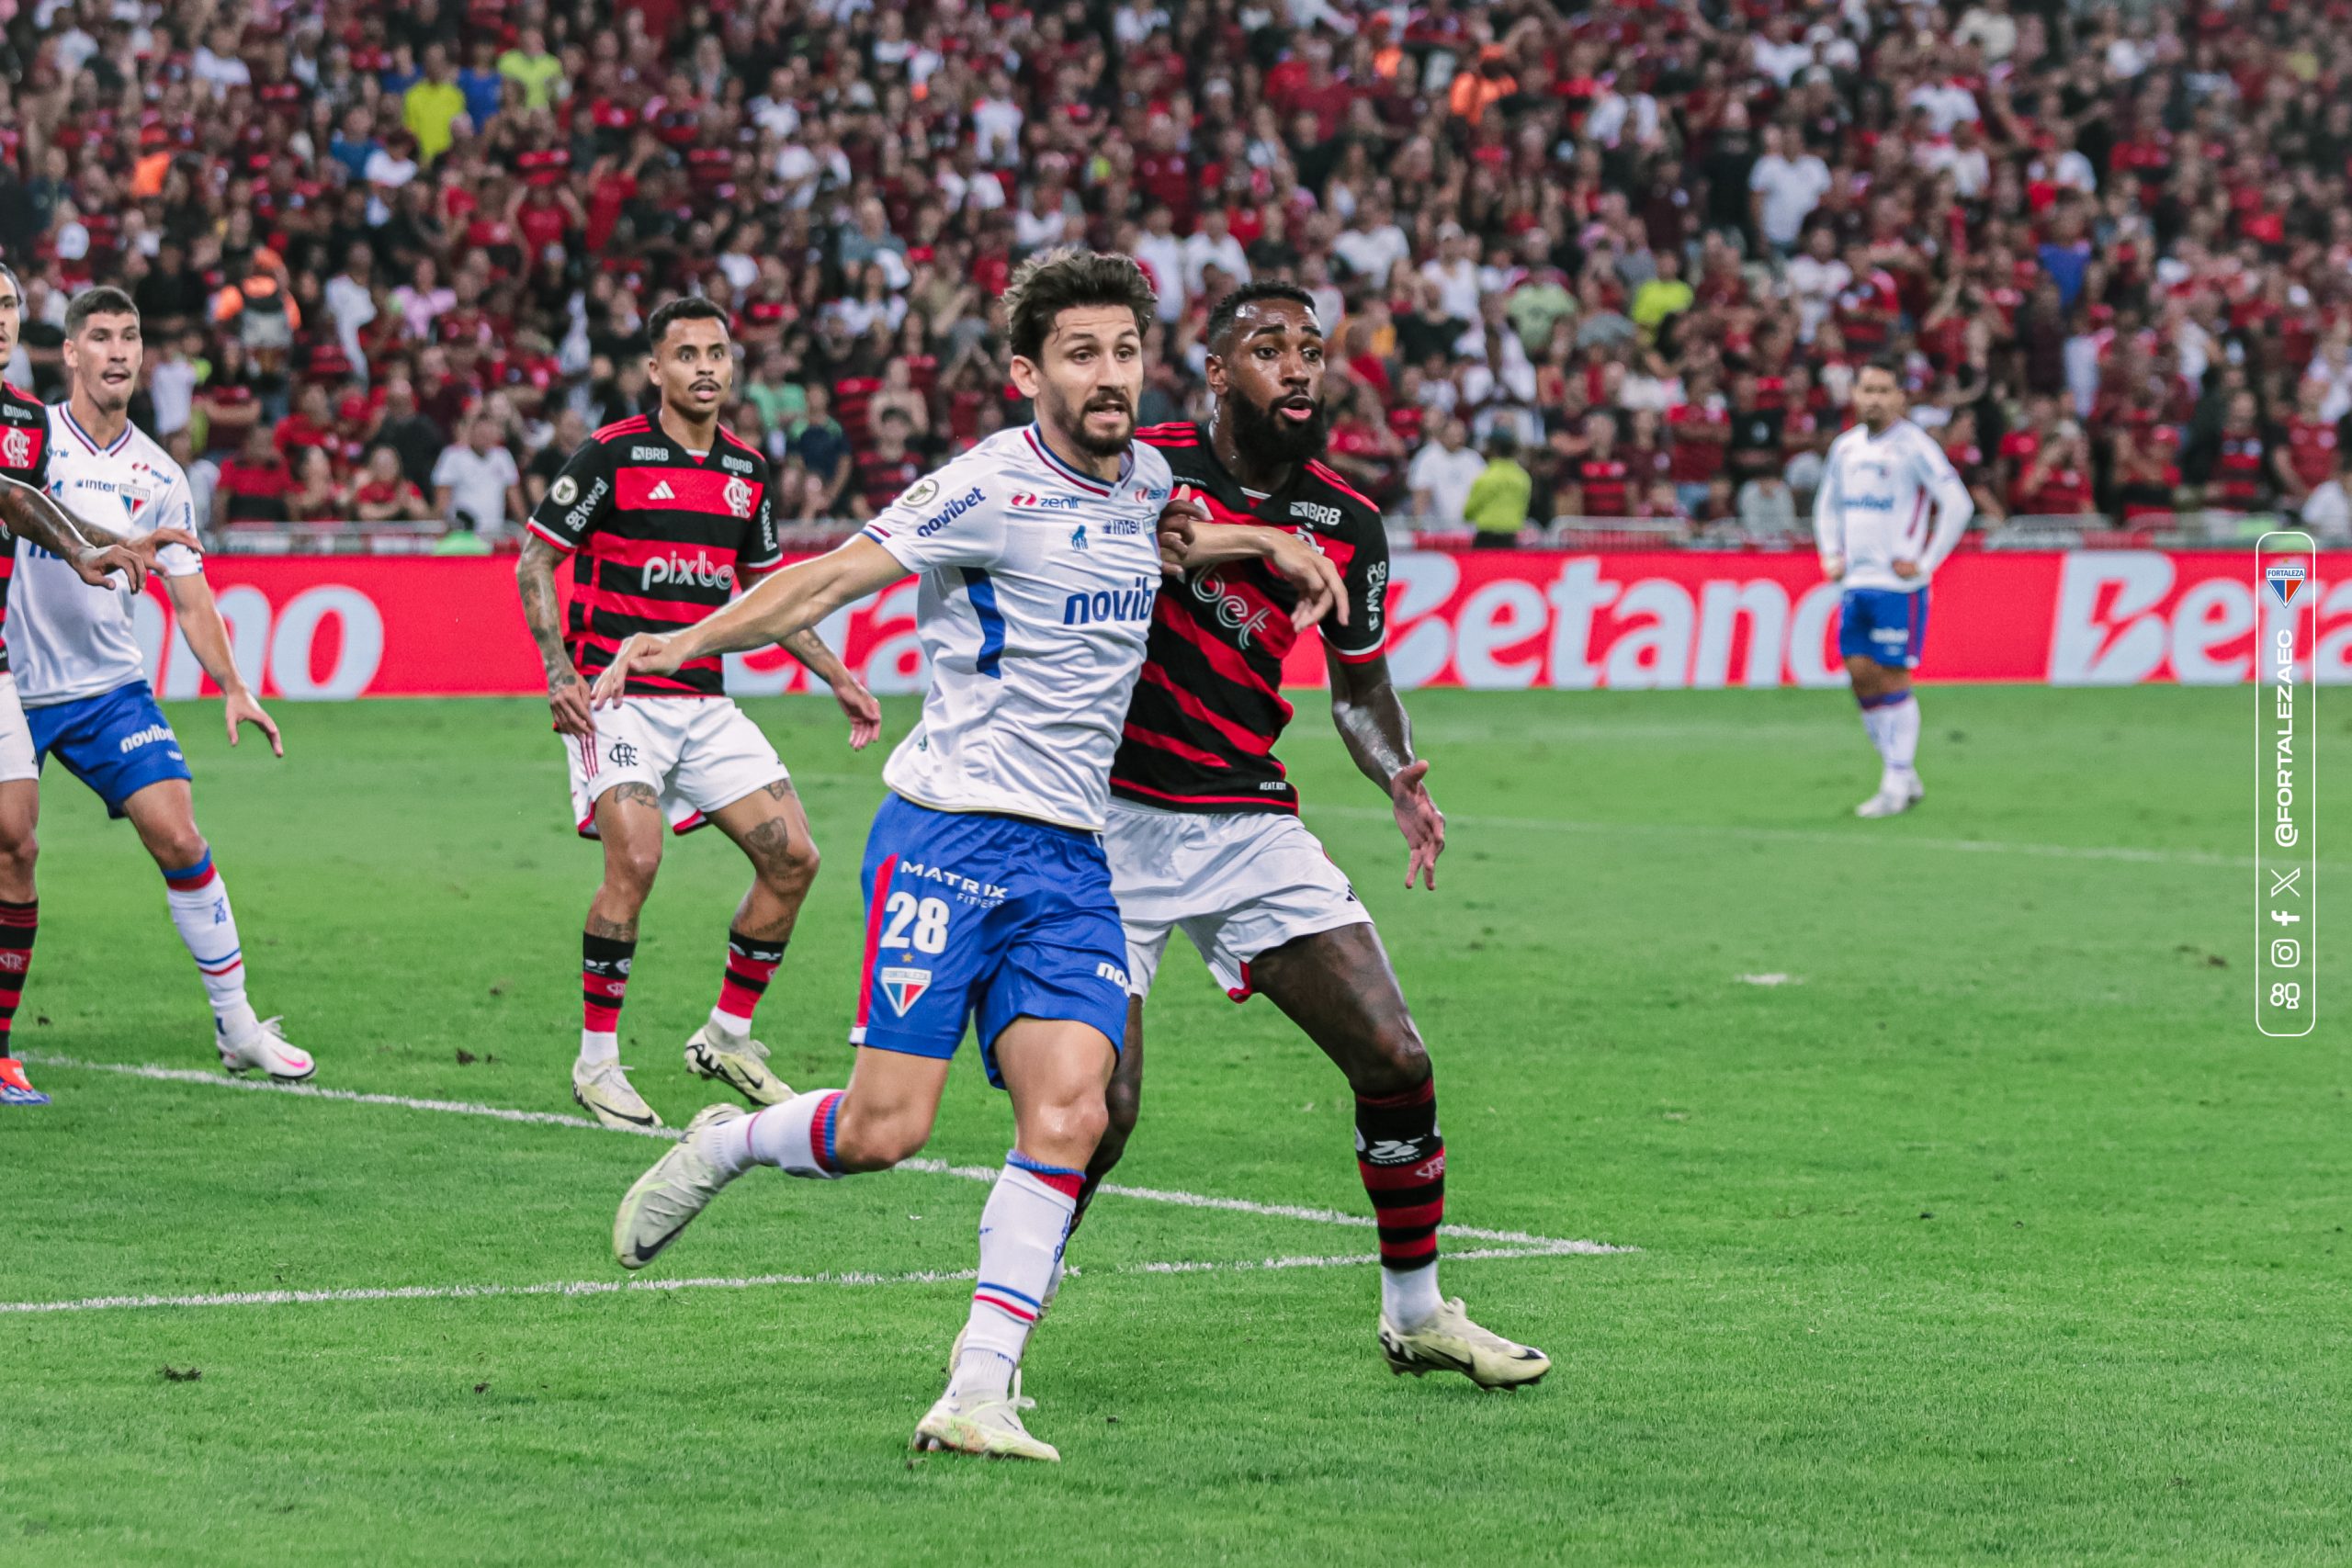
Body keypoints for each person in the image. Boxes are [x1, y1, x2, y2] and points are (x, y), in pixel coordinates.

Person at [601, 251, 1331, 1463]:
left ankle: (977, 1386)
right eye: (1082, 353)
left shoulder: (1145, 471)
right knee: (887, 1128)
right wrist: (678, 640)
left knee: (1073, 1110)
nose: (1111, 376)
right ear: (1026, 369)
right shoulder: (986, 485)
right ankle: (724, 1142)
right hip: (950, 837)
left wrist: (1261, 541)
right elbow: (826, 578)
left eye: (1126, 351)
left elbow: (1170, 532)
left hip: (1071, 856)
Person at [1081, 281, 1552, 1389]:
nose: (1298, 369)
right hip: (1102, 821)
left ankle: (1418, 1315)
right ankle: (996, 1336)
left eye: (1311, 351)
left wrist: (1397, 774)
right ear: (1214, 372)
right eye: (1267, 350)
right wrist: (1251, 544)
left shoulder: (1347, 520)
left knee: (1395, 1059)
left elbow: (1357, 688)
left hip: (1245, 818)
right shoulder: (1138, 464)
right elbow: (1158, 544)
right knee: (1098, 1118)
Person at [515, 296, 881, 1134]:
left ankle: (728, 1035)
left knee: (794, 859)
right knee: (635, 861)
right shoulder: (609, 457)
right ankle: (596, 1063)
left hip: (705, 702)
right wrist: (558, 670)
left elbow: (768, 598)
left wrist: (838, 676)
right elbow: (537, 559)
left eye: (718, 353)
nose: (706, 368)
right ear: (655, 370)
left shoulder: (747, 472)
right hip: (616, 702)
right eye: (687, 355)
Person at [8, 287, 308, 1082]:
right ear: (69, 353)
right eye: (99, 336)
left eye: (130, 337)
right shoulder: (27, 435)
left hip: (106, 689)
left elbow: (191, 592)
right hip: (12, 681)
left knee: (179, 835)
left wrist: (233, 684)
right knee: (12, 853)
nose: (117, 351)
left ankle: (237, 1024)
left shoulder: (161, 472)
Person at [0, 269, 197, 1106]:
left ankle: (0, 1049)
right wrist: (89, 545)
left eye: (7, 305)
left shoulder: (18, 420)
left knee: (15, 840)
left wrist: (99, 544)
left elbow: (25, 502)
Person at [1814, 360, 1974, 818]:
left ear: (1901, 397)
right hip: (1856, 582)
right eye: (1868, 390)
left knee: (1893, 675)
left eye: (1885, 390)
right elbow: (1827, 506)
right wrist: (1830, 552)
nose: (1875, 399)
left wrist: (1925, 564)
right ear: (1855, 395)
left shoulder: (1914, 447)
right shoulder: (1845, 449)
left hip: (1896, 588)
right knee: (1861, 677)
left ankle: (1894, 785)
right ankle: (1902, 773)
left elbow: (1957, 505)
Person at [432, 412, 525, 539]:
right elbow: (442, 499)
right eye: (481, 434)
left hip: (495, 533)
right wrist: (440, 530)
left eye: (489, 433)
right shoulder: (453, 456)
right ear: (471, 432)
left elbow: (515, 497)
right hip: (462, 533)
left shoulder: (503, 456)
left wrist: (524, 525)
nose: (485, 438)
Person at [1464, 428, 1533, 546]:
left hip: (1486, 537)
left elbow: (1469, 512)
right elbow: (1524, 508)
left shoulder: (1486, 477)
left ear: (1492, 449)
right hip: (1511, 537)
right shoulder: (1523, 477)